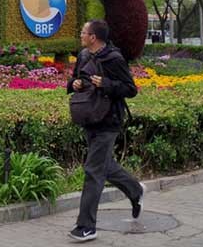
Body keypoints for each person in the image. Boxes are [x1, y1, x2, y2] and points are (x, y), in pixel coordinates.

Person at [67, 19, 144, 242]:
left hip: (109, 120)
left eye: (83, 32)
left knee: (93, 170)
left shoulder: (114, 58)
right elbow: (75, 79)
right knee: (104, 165)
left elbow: (130, 89)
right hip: (89, 116)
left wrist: (107, 84)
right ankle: (135, 190)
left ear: (94, 37)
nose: (81, 35)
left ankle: (86, 226)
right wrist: (75, 84)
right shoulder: (83, 55)